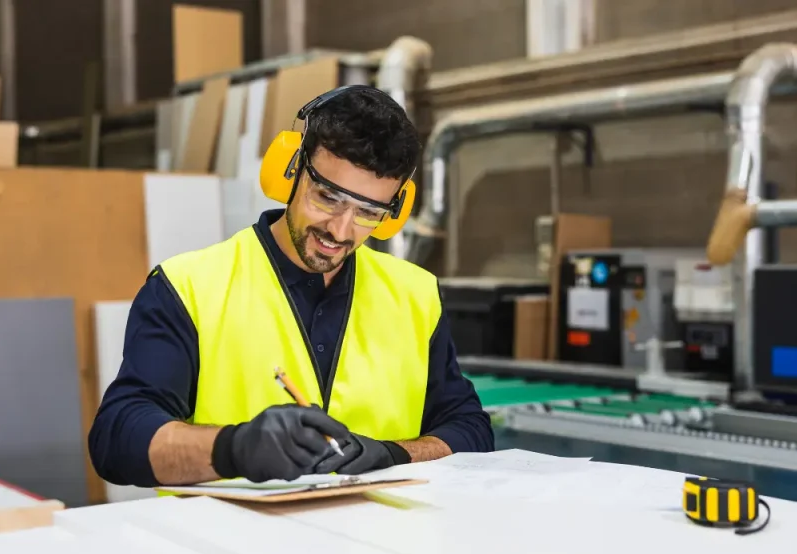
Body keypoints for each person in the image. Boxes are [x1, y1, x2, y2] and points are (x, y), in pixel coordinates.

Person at [89, 85, 494, 488]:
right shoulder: (188, 288)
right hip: (229, 546)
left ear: (396, 209)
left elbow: (471, 430)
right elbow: (118, 439)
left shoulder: (414, 296)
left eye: (368, 212)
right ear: (291, 168)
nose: (340, 230)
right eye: (327, 197)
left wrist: (393, 454)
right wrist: (233, 449)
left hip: (375, 546)